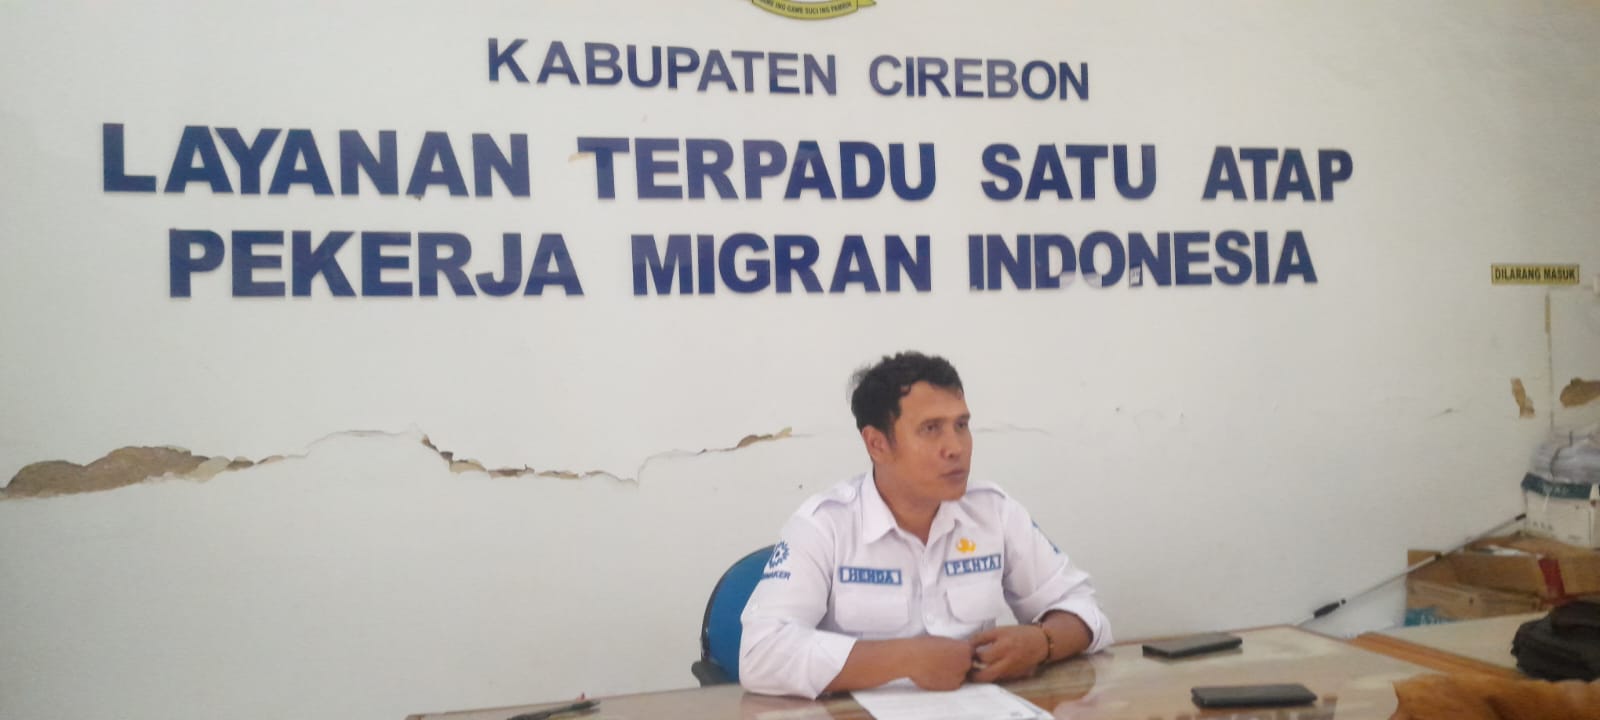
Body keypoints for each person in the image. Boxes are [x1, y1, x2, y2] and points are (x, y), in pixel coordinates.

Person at [738, 351, 1112, 698]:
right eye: (931, 429)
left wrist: (1042, 642)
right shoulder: (825, 525)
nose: (956, 447)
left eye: (961, 425)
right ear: (877, 444)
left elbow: (1082, 608)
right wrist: (904, 659)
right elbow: (760, 654)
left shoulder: (993, 512)